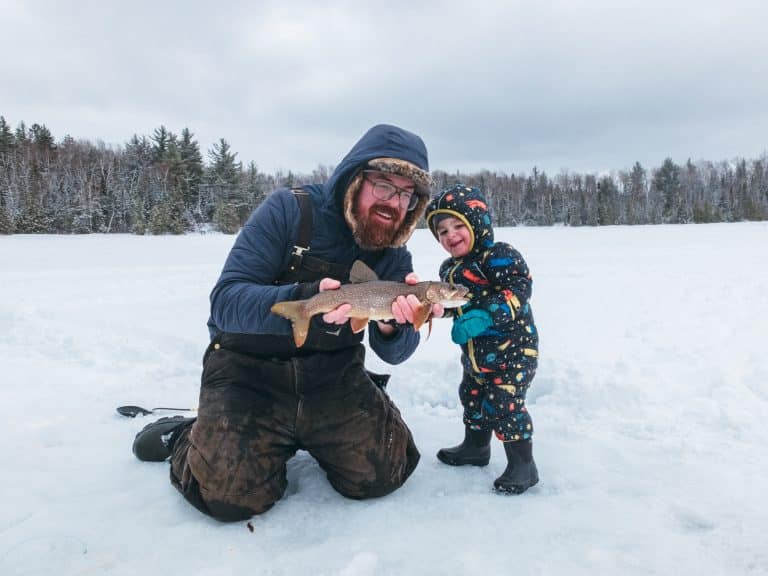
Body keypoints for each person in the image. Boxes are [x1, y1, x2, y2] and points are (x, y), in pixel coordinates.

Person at [132, 124, 441, 521]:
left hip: (330, 377)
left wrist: (392, 326)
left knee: (383, 474)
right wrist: (303, 299)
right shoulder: (290, 211)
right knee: (228, 499)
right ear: (355, 179)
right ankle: (187, 436)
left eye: (405, 194)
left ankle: (348, 420)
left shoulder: (394, 257)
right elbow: (225, 301)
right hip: (249, 375)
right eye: (383, 185)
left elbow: (396, 353)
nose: (394, 202)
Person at [425, 183, 540, 494]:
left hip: (514, 351)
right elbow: (457, 306)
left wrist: (487, 314)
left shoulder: (499, 255)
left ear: (478, 223)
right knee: (472, 396)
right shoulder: (449, 270)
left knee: (504, 403)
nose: (450, 235)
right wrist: (440, 312)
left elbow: (519, 291)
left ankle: (523, 466)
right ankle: (475, 448)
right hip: (476, 356)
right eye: (442, 231)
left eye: (458, 225)